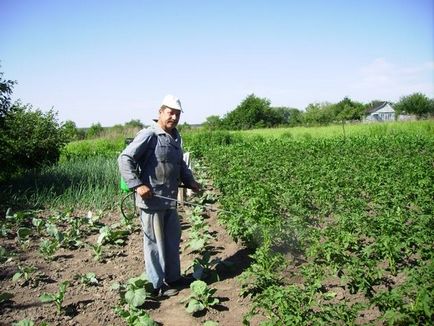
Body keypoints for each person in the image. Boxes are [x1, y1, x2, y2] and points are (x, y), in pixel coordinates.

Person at [118, 94, 200, 297]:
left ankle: (173, 278)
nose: (173, 117)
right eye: (170, 113)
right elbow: (125, 158)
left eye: (177, 114)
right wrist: (137, 185)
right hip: (152, 201)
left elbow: (180, 164)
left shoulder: (175, 137)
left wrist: (190, 181)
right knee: (154, 244)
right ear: (160, 112)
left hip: (170, 201)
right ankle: (157, 285)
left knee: (172, 240)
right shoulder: (149, 135)